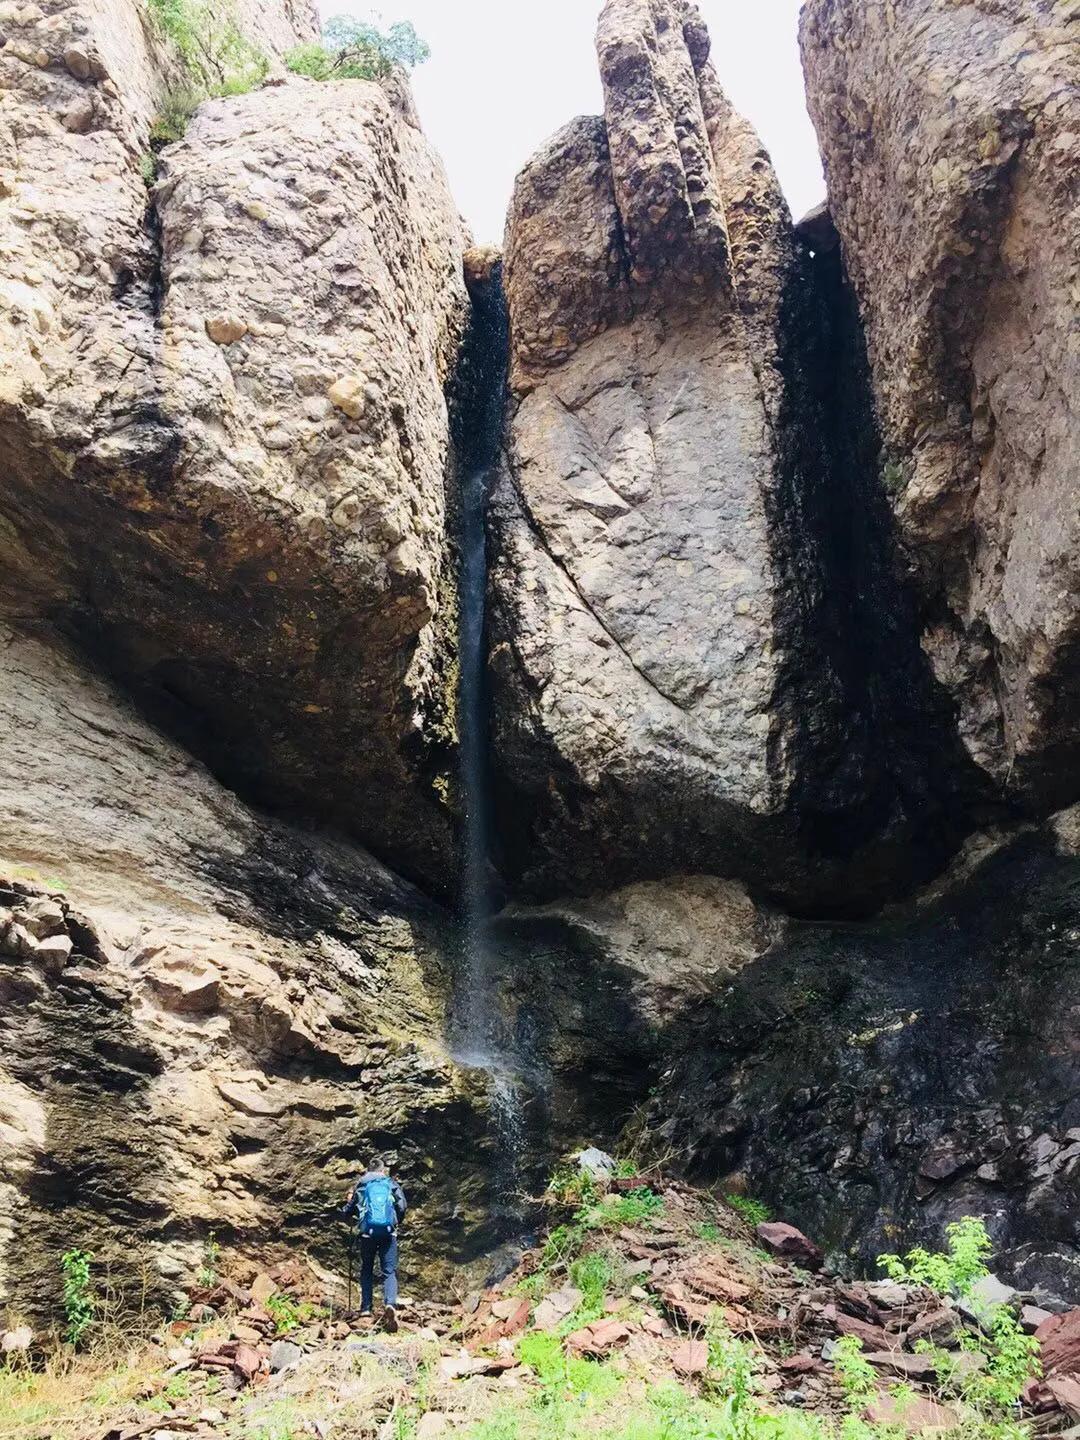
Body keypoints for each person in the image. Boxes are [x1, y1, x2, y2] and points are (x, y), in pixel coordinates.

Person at [341, 1156, 407, 1325]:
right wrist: (395, 1222)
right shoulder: (390, 1183)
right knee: (389, 1271)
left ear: (368, 1170)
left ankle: (365, 1308)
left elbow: (348, 1212)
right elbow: (402, 1206)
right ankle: (390, 1304)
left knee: (367, 1269)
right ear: (382, 1170)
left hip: (367, 1235)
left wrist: (348, 1206)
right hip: (388, 1234)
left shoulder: (361, 1185)